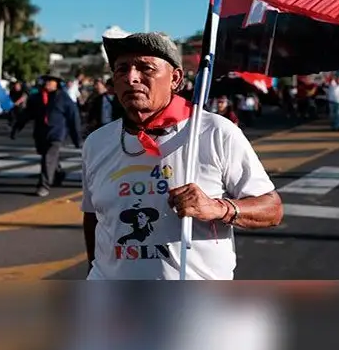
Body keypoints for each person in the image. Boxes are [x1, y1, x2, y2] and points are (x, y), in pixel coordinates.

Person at [81, 31, 283, 280]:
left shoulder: (215, 131)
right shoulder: (97, 142)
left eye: (146, 68)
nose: (132, 77)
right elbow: (93, 216)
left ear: (175, 78)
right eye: (122, 69)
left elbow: (272, 209)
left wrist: (218, 208)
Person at [11, 74, 82, 197]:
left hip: (56, 134)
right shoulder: (37, 98)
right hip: (40, 133)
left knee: (48, 159)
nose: (47, 83)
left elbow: (73, 118)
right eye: (46, 81)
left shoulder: (63, 98)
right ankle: (58, 174)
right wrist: (16, 129)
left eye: (50, 81)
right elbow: (27, 114)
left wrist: (77, 139)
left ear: (57, 84)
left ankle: (43, 186)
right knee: (48, 157)